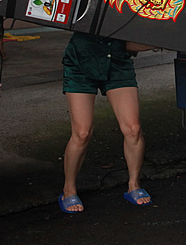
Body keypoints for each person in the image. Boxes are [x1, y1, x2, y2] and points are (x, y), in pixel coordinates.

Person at [59, 32, 155, 213]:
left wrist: (159, 41)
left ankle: (134, 185)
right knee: (82, 133)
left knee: (133, 129)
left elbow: (128, 43)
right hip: (81, 61)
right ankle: (68, 189)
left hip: (117, 62)